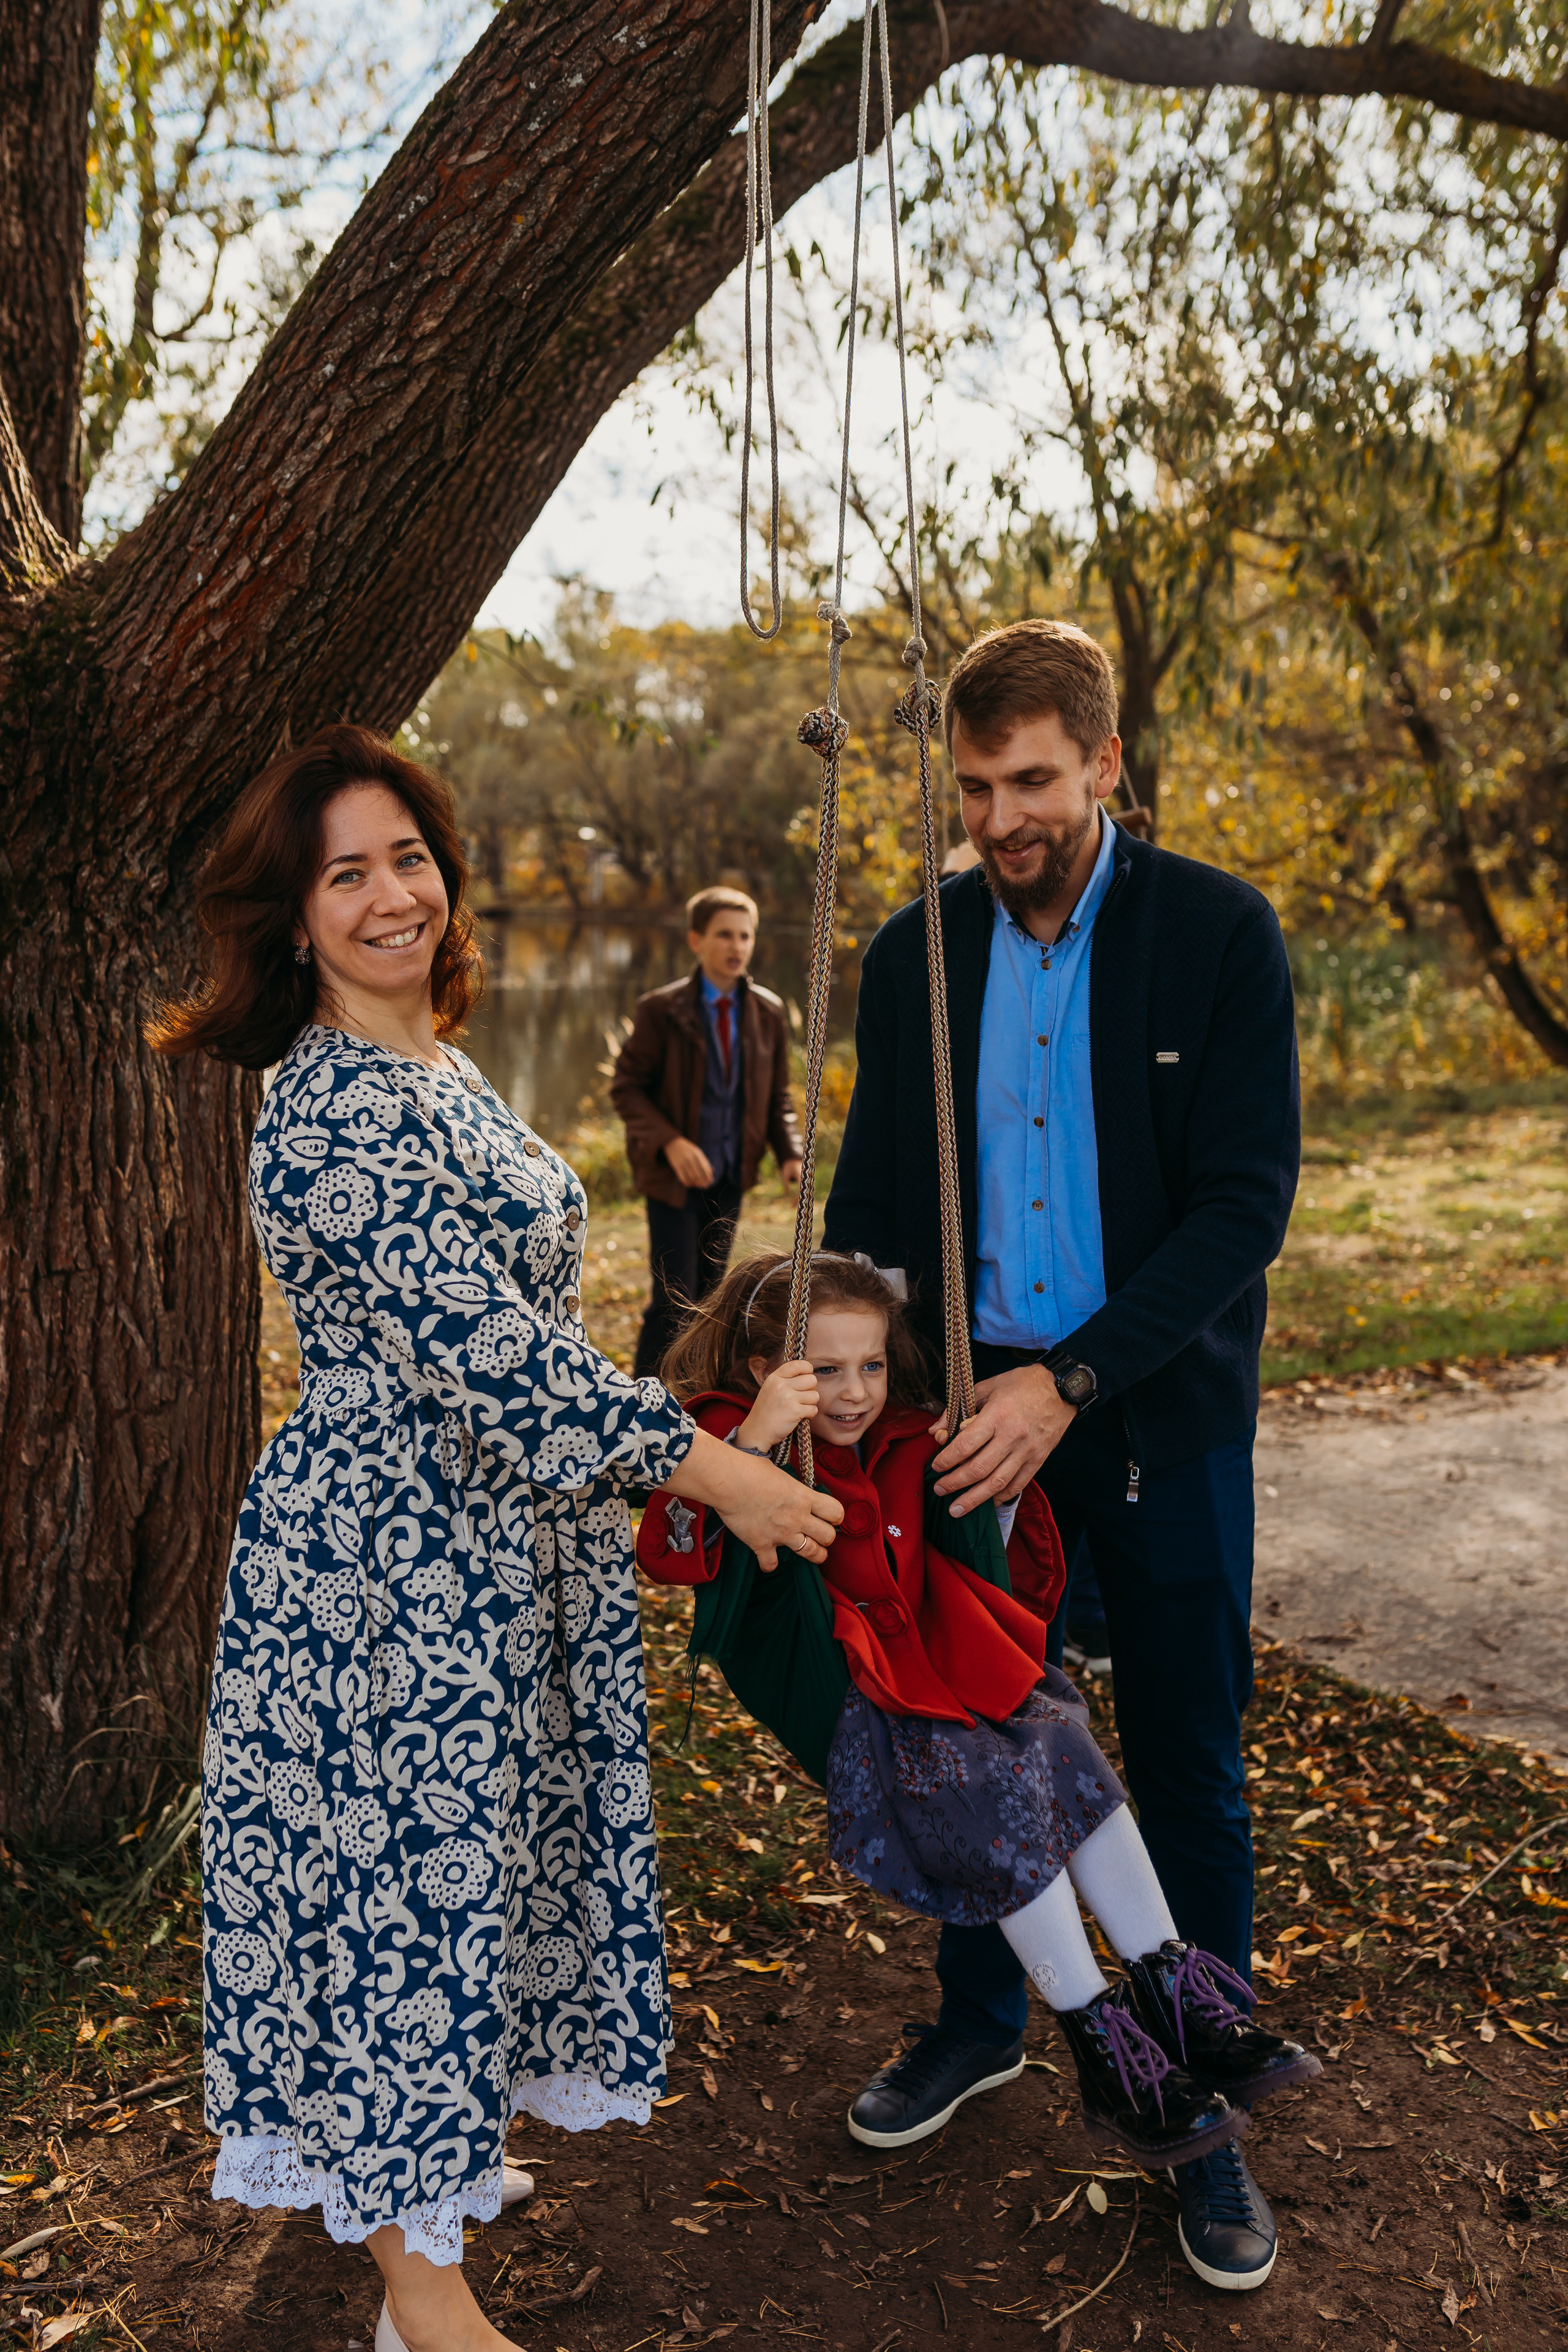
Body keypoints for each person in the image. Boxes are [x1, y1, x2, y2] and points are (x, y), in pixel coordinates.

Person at [151, 727, 841, 2352]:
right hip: (385, 1584)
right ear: (294, 918)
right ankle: (423, 2294)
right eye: (347, 874)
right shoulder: (321, 1121)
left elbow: (527, 1338)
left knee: (480, 1873)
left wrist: (720, 1422)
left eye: (409, 856)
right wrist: (715, 1479)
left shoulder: (437, 1068)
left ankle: (440, 2152)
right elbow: (493, 1356)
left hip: (500, 1559)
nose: (394, 894)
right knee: (398, 1900)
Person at [823, 619, 1303, 2292]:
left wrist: (1075, 1384)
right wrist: (850, 1374)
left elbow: (1247, 1206)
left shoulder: (1218, 935)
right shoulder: (917, 952)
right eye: (973, 788)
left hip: (1151, 1409)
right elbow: (876, 1203)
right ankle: (981, 2024)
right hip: (964, 1414)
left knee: (1180, 1753)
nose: (1001, 818)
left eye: (1031, 780)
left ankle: (1203, 2104)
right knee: (963, 1737)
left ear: (1106, 766)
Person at [636, 1251, 1317, 2188]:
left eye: (870, 1366)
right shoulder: (726, 1434)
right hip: (851, 1694)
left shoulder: (908, 1433)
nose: (852, 1392)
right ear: (767, 1370)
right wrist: (751, 1441)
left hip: (948, 1672)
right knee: (985, 1792)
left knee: (1067, 1749)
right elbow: (673, 1555)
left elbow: (1004, 1562)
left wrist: (989, 1498)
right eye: (824, 1370)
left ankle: (1176, 1991)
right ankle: (1102, 2048)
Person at [612, 888, 802, 1378]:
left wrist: (790, 1151)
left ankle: (695, 1393)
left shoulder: (768, 1011)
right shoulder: (662, 1009)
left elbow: (778, 1095)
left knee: (712, 1295)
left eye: (745, 935)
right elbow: (628, 1088)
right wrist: (671, 1141)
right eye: (724, 935)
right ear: (697, 940)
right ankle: (644, 1398)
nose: (736, 946)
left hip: (730, 1174)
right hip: (674, 1181)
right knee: (673, 1297)